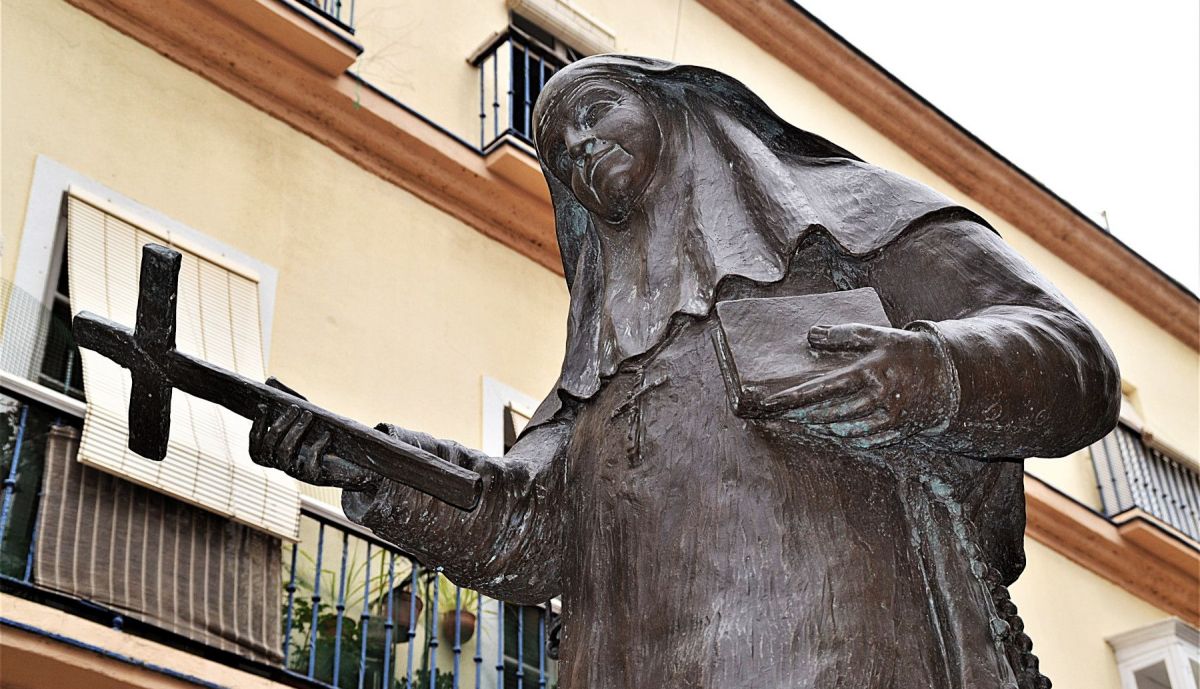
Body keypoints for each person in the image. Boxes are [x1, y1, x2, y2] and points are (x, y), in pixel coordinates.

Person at [250, 56, 1119, 689]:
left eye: (594, 110)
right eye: (557, 150)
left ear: (677, 104)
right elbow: (525, 526)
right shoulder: (594, 371)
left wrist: (926, 370)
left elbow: (1072, 357)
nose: (580, 145)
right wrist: (377, 465)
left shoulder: (854, 221)